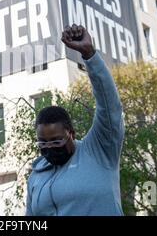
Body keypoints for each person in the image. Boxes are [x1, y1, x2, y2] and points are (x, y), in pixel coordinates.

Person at [26, 25, 125, 216]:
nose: (50, 148)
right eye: (43, 143)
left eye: (56, 140)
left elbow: (110, 107)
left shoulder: (99, 151)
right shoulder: (36, 176)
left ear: (71, 133)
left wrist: (89, 55)